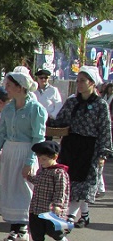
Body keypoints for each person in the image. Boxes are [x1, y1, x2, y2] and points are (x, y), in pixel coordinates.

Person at [0, 66, 46, 241]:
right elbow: (1, 134)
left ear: (20, 87)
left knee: (24, 192)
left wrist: (30, 161)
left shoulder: (36, 109)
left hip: (26, 151)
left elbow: (38, 138)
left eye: (9, 85)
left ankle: (13, 235)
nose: (6, 89)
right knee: (9, 191)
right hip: (9, 153)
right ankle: (20, 227)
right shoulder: (9, 108)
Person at [46, 65, 112, 228]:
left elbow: (105, 128)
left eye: (82, 81)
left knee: (84, 184)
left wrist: (103, 152)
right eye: (78, 81)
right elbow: (60, 120)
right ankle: (84, 215)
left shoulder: (100, 105)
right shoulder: (72, 102)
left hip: (90, 147)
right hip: (71, 145)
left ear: (92, 83)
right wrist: (46, 120)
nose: (79, 84)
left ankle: (70, 216)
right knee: (70, 181)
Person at [23, 140, 74, 241]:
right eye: (39, 159)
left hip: (50, 209)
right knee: (36, 230)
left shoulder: (59, 172)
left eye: (44, 159)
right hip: (36, 207)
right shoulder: (42, 171)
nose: (41, 161)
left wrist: (57, 205)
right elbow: (38, 182)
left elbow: (61, 190)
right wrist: (29, 177)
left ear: (55, 157)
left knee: (53, 231)